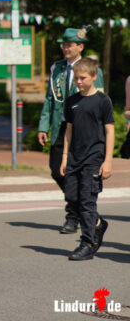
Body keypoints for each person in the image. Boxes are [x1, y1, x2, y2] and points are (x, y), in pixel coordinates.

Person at [38, 27, 104, 234]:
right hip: (61, 126)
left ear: (80, 46)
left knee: (77, 174)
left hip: (83, 131)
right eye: (64, 45)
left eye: (70, 45)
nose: (65, 48)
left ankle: (73, 216)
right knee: (57, 170)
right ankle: (78, 207)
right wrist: (43, 125)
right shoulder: (56, 68)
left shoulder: (93, 71)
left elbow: (98, 102)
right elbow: (50, 98)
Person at [59, 58, 113, 260]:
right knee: (72, 198)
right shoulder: (72, 101)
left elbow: (109, 130)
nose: (78, 82)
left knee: (87, 202)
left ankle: (88, 243)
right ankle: (97, 223)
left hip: (94, 158)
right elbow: (68, 132)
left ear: (93, 77)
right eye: (76, 78)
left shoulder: (102, 101)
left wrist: (108, 160)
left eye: (83, 78)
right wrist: (65, 157)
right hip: (74, 157)